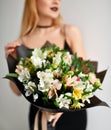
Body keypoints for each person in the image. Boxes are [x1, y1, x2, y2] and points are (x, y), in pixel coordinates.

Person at [5, 0, 87, 130]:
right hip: (38, 116)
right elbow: (17, 91)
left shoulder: (69, 32)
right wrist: (11, 62)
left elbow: (87, 75)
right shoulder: (21, 42)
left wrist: (64, 106)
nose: (56, 1)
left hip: (71, 115)